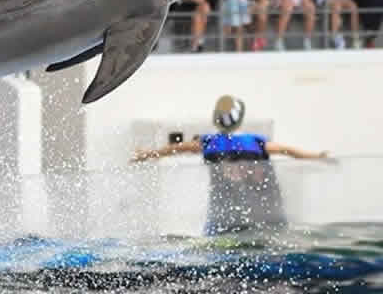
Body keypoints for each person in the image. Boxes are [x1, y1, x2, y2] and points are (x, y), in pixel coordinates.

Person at [130, 95, 328, 234]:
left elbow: (175, 148)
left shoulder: (210, 143)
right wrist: (317, 156)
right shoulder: (255, 142)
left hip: (221, 214)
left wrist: (146, 155)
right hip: (262, 213)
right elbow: (289, 151)